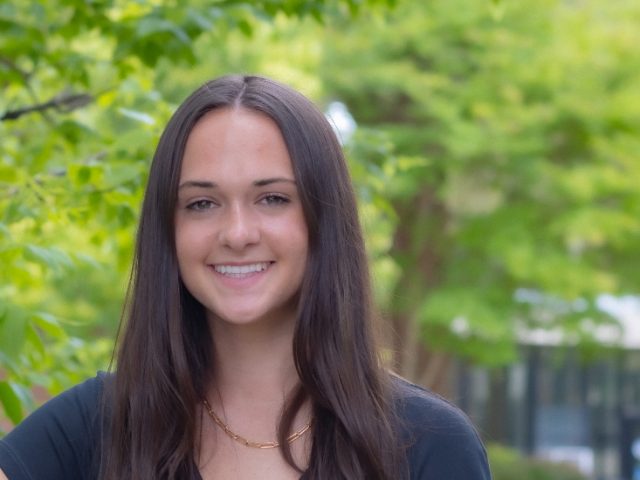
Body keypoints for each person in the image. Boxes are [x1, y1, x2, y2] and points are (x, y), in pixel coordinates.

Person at [0, 75, 491, 480]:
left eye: (273, 198)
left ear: (323, 218)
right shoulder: (96, 425)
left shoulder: (429, 444)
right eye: (202, 203)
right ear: (168, 230)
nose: (236, 233)